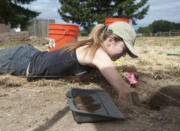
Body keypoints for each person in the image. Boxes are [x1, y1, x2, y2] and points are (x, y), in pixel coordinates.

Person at [0, 22, 138, 103]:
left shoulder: (95, 49)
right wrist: (132, 113)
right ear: (110, 40)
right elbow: (124, 92)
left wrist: (120, 76)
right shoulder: (97, 53)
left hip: (30, 54)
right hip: (19, 61)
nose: (124, 54)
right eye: (124, 49)